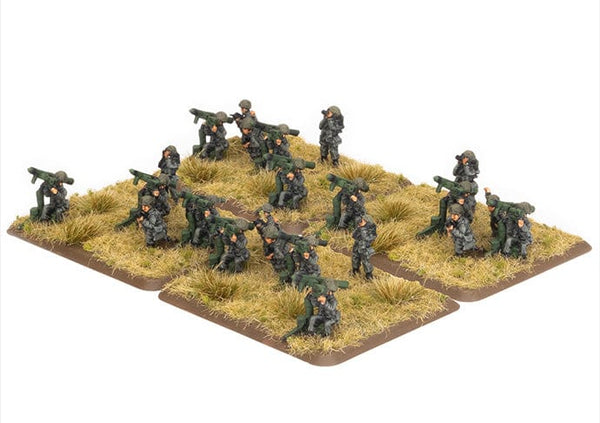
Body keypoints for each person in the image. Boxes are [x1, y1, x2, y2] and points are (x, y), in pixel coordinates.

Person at [351, 215, 377, 279]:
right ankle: (355, 270)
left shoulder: (370, 229)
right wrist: (358, 228)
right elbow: (353, 236)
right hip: (357, 246)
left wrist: (363, 229)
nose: (361, 222)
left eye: (363, 221)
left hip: (365, 247)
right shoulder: (359, 228)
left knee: (366, 261)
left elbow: (367, 238)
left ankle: (368, 275)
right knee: (355, 258)